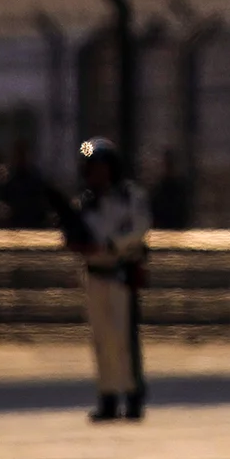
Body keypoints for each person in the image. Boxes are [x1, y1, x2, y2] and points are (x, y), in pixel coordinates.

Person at [66, 137, 151, 422]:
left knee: (123, 338)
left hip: (119, 273)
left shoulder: (129, 197)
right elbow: (75, 234)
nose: (98, 173)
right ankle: (108, 396)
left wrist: (114, 244)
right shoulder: (85, 203)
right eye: (93, 167)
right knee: (101, 339)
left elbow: (139, 228)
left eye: (103, 167)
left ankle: (132, 394)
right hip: (94, 275)